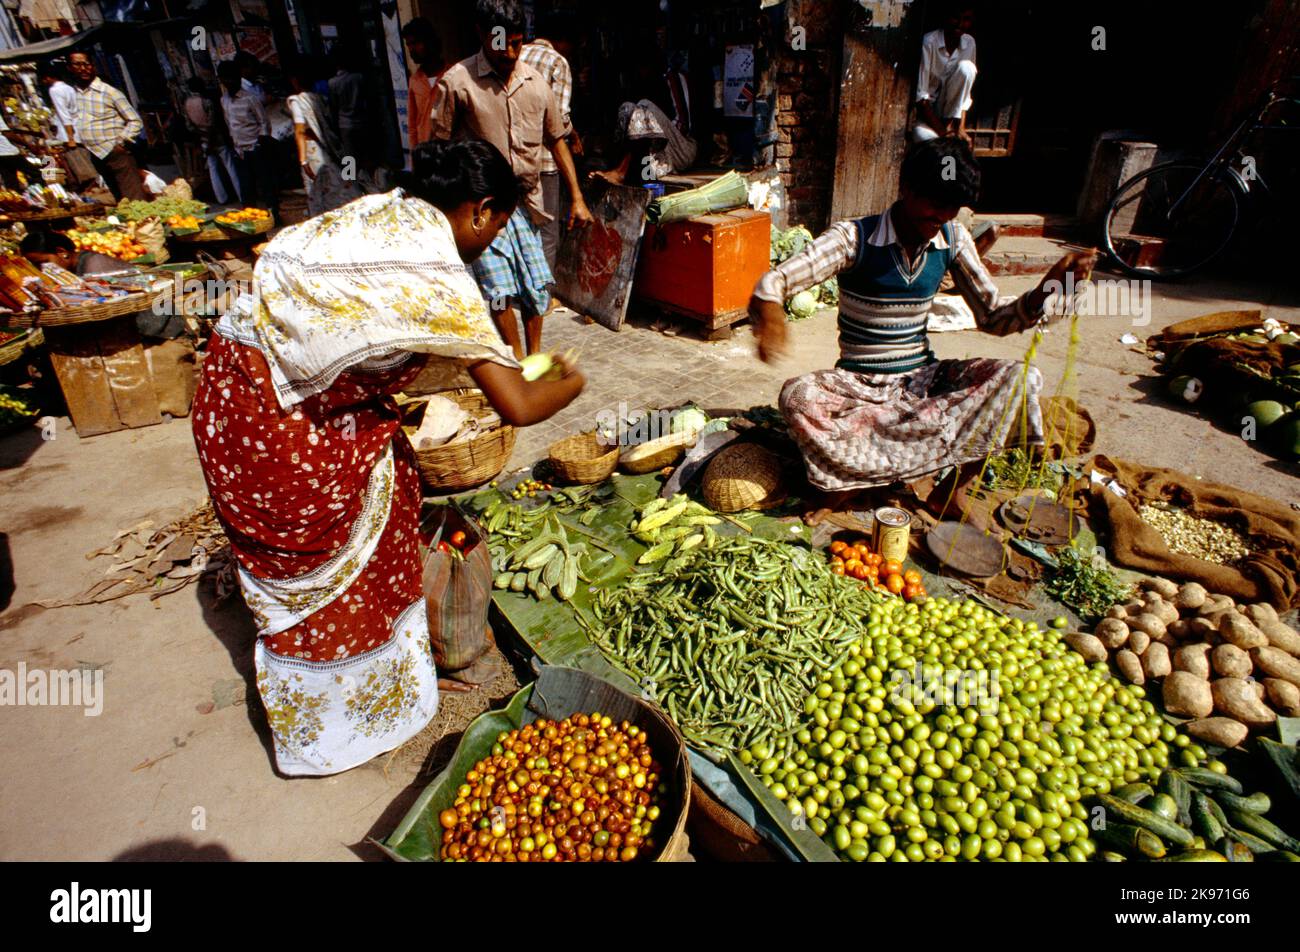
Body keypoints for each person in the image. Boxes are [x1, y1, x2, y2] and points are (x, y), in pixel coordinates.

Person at [190, 139, 584, 776]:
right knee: (363, 526)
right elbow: (517, 404)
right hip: (287, 428)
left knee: (387, 487)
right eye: (501, 226)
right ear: (481, 210)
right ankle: (348, 722)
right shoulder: (438, 269)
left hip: (230, 400)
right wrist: (570, 382)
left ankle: (363, 691)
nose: (492, 242)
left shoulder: (377, 211)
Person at [750, 138, 1096, 496]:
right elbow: (776, 280)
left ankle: (951, 492)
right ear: (906, 189)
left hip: (922, 379)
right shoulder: (854, 238)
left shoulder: (954, 239)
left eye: (952, 208)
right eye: (935, 204)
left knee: (1019, 380)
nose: (942, 216)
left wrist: (1047, 290)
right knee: (798, 396)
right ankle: (853, 485)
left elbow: (993, 318)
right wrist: (771, 316)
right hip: (859, 385)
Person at [430, 0, 593, 359]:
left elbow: (557, 140)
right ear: (481, 35)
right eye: (501, 42)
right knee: (498, 288)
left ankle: (533, 356)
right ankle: (514, 358)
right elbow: (436, 148)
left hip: (527, 203)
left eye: (518, 42)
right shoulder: (457, 81)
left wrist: (577, 198)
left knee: (536, 285)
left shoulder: (536, 83)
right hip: (481, 207)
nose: (510, 51)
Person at [519, 13, 581, 268]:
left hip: (512, 158)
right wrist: (573, 135)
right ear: (564, 41)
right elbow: (558, 118)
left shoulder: (515, 54)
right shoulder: (558, 62)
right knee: (547, 230)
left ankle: (523, 292)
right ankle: (542, 297)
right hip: (544, 160)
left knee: (521, 229)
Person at [590, 51, 696, 185]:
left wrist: (656, 132)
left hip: (681, 149)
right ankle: (629, 168)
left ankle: (621, 171)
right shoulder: (635, 84)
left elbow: (684, 125)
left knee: (642, 105)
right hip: (658, 155)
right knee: (632, 109)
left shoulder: (672, 77)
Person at [66, 51, 147, 201]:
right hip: (95, 154)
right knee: (120, 199)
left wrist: (121, 142)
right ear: (69, 68)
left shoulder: (109, 92)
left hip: (116, 152)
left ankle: (148, 222)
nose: (83, 68)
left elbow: (135, 120)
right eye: (77, 64)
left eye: (86, 64)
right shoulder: (73, 94)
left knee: (134, 198)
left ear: (93, 66)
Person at [218, 60, 277, 220]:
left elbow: (263, 121)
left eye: (232, 78)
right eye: (226, 79)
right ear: (222, 80)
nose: (230, 82)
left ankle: (273, 214)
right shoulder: (224, 100)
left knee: (265, 184)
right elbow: (229, 123)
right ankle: (251, 218)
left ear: (238, 78)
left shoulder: (250, 98)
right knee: (246, 187)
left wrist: (261, 142)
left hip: (255, 147)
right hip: (239, 150)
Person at [286, 60, 345, 216]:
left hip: (313, 153)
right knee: (336, 185)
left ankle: (322, 218)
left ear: (295, 80)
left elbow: (299, 131)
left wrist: (303, 160)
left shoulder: (297, 102)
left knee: (316, 189)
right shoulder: (321, 99)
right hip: (331, 151)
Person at [914, 2, 977, 143]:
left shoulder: (970, 43)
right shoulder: (929, 42)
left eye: (966, 19)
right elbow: (921, 98)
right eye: (956, 18)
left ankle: (951, 127)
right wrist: (944, 134)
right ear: (947, 17)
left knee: (967, 67)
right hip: (926, 115)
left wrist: (960, 128)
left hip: (949, 114)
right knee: (933, 144)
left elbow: (964, 94)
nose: (960, 24)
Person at [184, 76, 241, 205]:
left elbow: (189, 126)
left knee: (213, 169)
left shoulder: (187, 103)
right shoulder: (207, 101)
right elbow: (212, 123)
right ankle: (241, 195)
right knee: (230, 167)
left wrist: (203, 139)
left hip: (203, 140)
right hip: (216, 139)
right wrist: (209, 139)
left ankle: (222, 198)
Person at [402, 17, 443, 152]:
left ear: (429, 41)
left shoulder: (453, 75)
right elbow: (413, 125)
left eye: (415, 43)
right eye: (408, 45)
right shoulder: (414, 81)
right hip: (427, 153)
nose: (411, 49)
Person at [327, 49, 367, 162]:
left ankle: (350, 177)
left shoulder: (332, 83)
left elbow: (333, 106)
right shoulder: (358, 78)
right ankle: (366, 177)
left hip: (344, 123)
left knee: (349, 155)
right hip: (360, 120)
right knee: (362, 153)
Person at [38, 62, 78, 146]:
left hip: (69, 134)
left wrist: (70, 138)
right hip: (77, 126)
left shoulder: (54, 90)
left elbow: (63, 114)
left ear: (48, 78)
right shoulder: (69, 87)